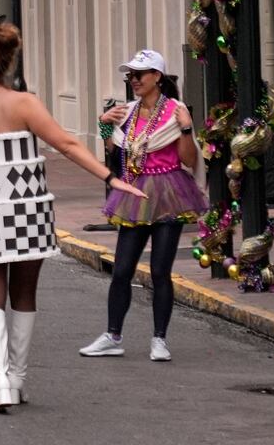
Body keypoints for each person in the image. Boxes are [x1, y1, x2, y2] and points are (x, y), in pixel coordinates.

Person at [0, 20, 145, 412]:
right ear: (10, 61)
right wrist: (111, 177)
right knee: (24, 293)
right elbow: (68, 144)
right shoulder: (27, 103)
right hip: (27, 207)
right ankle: (17, 379)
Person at [80, 50, 204, 363]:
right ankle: (112, 335)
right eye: (131, 76)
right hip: (134, 193)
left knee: (161, 271)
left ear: (157, 77)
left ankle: (159, 339)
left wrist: (187, 129)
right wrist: (105, 125)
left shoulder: (176, 111)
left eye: (140, 74)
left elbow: (189, 160)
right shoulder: (129, 111)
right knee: (121, 270)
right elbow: (112, 149)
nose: (134, 81)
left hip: (168, 193)